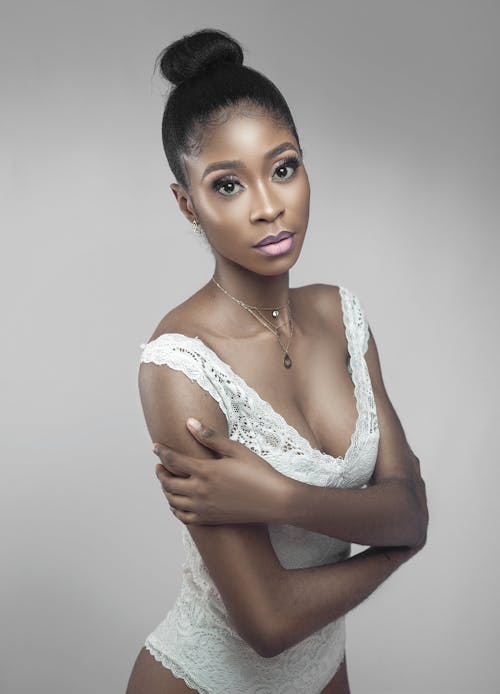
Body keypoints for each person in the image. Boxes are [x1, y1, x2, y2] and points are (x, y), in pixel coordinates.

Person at [126, 27, 428, 694]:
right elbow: (268, 620)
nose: (269, 206)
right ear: (188, 204)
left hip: (325, 676)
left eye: (283, 167)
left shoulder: (343, 317)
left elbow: (409, 509)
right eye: (228, 185)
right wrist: (400, 547)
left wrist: (279, 496)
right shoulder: (180, 367)